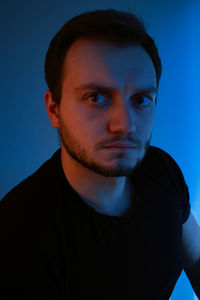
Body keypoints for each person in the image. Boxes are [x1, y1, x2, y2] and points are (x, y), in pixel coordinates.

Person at [0, 8, 199, 300]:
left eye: (141, 99)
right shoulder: (17, 234)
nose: (125, 125)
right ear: (54, 109)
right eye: (96, 97)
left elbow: (195, 258)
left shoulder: (161, 168)